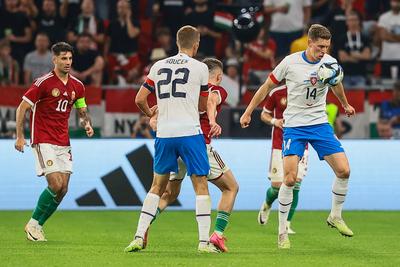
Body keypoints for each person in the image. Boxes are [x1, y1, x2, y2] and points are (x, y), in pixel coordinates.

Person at [240, 24, 356, 249]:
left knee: (344, 170)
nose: (323, 51)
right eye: (320, 46)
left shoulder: (329, 62)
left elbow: (336, 83)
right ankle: (282, 232)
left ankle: (335, 216)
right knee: (290, 179)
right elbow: (266, 87)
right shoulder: (290, 62)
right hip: (294, 127)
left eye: (326, 47)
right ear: (309, 42)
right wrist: (247, 112)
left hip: (320, 124)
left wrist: (345, 104)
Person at [124, 25, 221, 253]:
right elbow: (201, 105)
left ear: (177, 43)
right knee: (200, 185)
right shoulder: (199, 68)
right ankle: (203, 243)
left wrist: (152, 114)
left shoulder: (158, 66)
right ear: (196, 45)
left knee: (156, 186)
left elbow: (140, 99)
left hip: (165, 134)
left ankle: (139, 237)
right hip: (190, 133)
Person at [147, 58, 239, 253]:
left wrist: (154, 118)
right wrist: (213, 120)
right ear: (219, 76)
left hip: (176, 144)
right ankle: (216, 235)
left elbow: (163, 107)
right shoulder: (217, 89)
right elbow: (213, 100)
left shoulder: (188, 91)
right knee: (231, 187)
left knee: (170, 194)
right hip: (199, 146)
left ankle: (145, 225)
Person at [14, 42, 94, 242]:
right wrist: (20, 136)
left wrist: (86, 124)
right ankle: (32, 224)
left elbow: (81, 109)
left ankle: (38, 226)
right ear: (54, 60)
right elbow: (22, 107)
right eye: (63, 59)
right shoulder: (43, 83)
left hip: (63, 141)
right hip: (43, 139)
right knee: (55, 183)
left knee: (63, 189)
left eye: (70, 58)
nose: (67, 62)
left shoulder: (78, 85)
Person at [257, 84, 309, 235]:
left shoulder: (307, 91)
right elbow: (264, 114)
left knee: (296, 183)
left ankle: (286, 224)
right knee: (277, 186)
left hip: (301, 143)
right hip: (279, 144)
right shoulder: (277, 93)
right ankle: (267, 204)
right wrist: (275, 121)